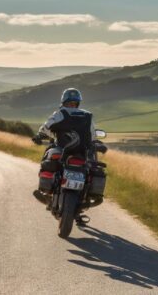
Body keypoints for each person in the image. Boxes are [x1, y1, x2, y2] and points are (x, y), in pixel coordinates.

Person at [32, 88, 96, 225]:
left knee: (48, 156)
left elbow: (46, 127)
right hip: (81, 153)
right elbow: (94, 135)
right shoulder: (87, 115)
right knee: (90, 170)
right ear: (78, 102)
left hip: (63, 151)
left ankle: (47, 193)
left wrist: (39, 136)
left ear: (63, 101)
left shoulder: (60, 113)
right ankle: (80, 206)